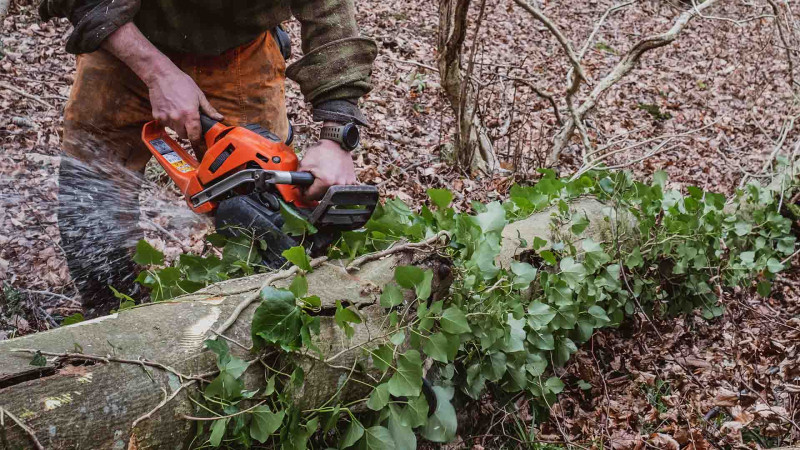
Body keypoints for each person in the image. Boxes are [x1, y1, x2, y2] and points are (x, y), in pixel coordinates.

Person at [39, 0, 377, 314]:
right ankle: (108, 324)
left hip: (239, 50)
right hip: (124, 39)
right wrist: (157, 72)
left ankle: (252, 330)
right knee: (91, 198)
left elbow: (328, 9)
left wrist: (337, 132)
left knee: (269, 211)